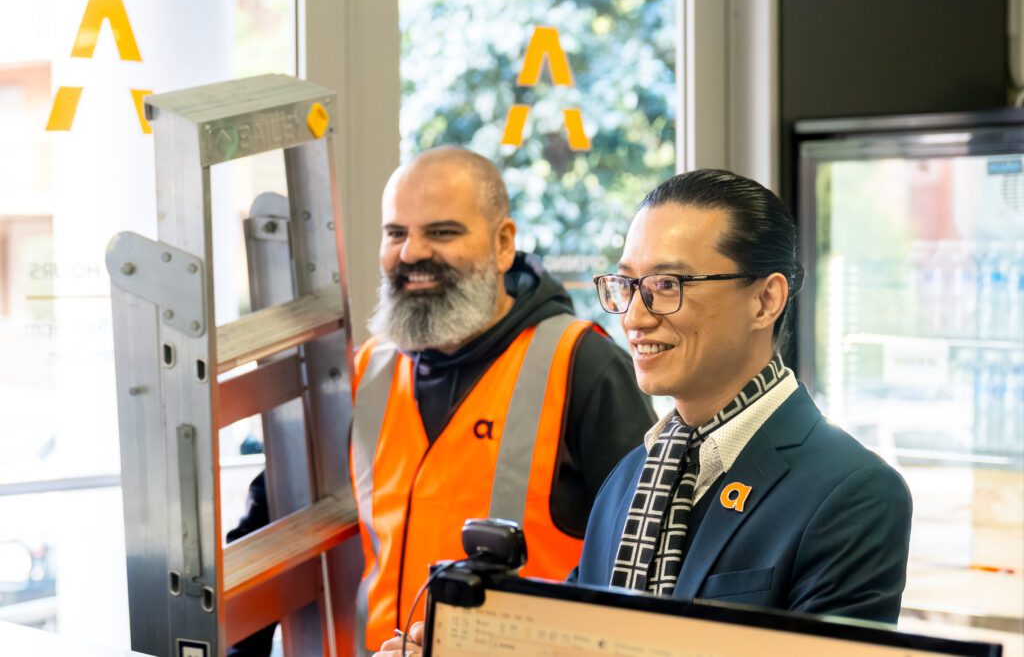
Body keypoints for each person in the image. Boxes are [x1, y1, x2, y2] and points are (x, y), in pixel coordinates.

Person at [375, 168, 912, 656]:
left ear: (766, 300)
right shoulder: (633, 476)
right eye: (628, 285)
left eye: (666, 286)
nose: (634, 316)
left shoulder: (852, 493)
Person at [230, 146, 655, 656]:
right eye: (396, 233)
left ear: (503, 244)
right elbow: (271, 526)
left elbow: (641, 571)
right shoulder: (362, 373)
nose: (412, 254)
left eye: (442, 232)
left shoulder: (582, 366)